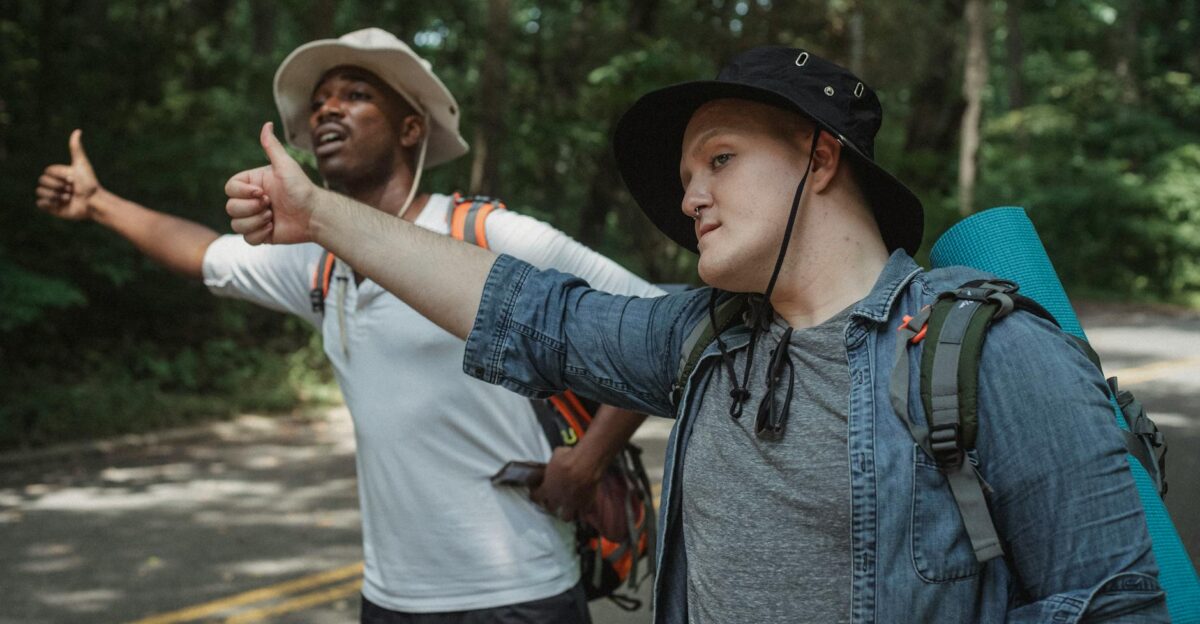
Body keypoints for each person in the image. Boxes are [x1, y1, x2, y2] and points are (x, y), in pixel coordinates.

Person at [222, 46, 1168, 622]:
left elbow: (1118, 608)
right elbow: (525, 310)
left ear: (823, 158)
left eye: (719, 158)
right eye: (686, 173)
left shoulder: (993, 356)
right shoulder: (702, 344)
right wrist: (322, 218)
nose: (689, 195)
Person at [36, 28, 664, 624]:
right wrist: (98, 204)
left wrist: (587, 461)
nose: (327, 110)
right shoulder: (319, 260)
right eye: (319, 102)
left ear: (411, 128)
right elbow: (204, 253)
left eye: (356, 95)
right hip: (391, 597)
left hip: (520, 590)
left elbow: (648, 325)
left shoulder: (485, 234)